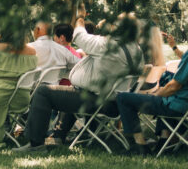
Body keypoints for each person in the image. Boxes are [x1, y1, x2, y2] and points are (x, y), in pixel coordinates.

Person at [13, 14, 145, 152]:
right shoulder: (137, 50)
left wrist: (80, 19)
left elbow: (78, 35)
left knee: (43, 92)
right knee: (70, 91)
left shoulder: (106, 45)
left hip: (98, 100)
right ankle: (57, 136)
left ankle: (36, 144)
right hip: (116, 102)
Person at [117, 52, 188, 155]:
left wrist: (156, 94)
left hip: (176, 105)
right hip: (183, 106)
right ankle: (164, 141)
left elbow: (173, 87)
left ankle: (140, 146)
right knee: (166, 87)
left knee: (123, 98)